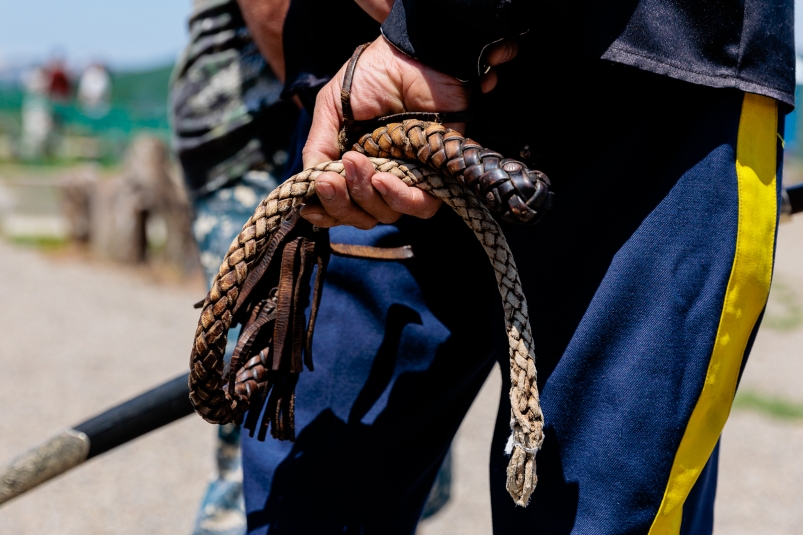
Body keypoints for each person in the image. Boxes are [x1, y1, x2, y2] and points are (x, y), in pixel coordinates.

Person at [184, 0, 795, 533]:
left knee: (597, 510)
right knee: (309, 502)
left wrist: (437, 27)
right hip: (379, 96)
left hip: (647, 91)